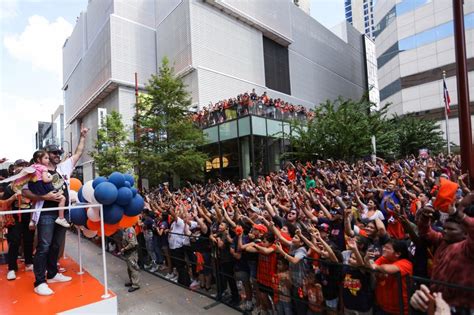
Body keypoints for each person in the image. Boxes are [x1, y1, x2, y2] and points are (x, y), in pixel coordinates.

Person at [23, 125, 88, 296]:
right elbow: (25, 191)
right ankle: (39, 282)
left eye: (59, 153)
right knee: (44, 246)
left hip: (63, 213)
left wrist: (82, 136)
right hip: (45, 213)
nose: (58, 156)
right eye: (54, 154)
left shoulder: (63, 168)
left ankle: (52, 274)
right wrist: (45, 197)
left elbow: (78, 153)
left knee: (56, 245)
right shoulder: (36, 170)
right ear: (46, 156)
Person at [2, 159, 35, 281]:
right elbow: (4, 203)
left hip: (28, 215)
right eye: (19, 166)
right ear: (14, 169)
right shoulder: (9, 186)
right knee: (14, 241)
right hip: (14, 217)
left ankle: (29, 263)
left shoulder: (31, 184)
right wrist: (13, 197)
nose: (21, 168)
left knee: (28, 240)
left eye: (24, 166)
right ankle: (11, 268)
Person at [29, 150, 69, 228]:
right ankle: (61, 218)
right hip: (42, 187)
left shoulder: (33, 167)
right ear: (38, 159)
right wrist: (50, 178)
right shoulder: (44, 168)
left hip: (34, 186)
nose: (48, 160)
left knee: (34, 202)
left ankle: (32, 220)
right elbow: (45, 180)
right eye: (46, 158)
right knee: (62, 198)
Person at [121, 226, 140, 292]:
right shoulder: (126, 229)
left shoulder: (130, 230)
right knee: (129, 268)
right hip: (128, 252)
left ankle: (135, 285)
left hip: (132, 252)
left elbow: (132, 243)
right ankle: (132, 281)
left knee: (133, 268)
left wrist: (124, 249)